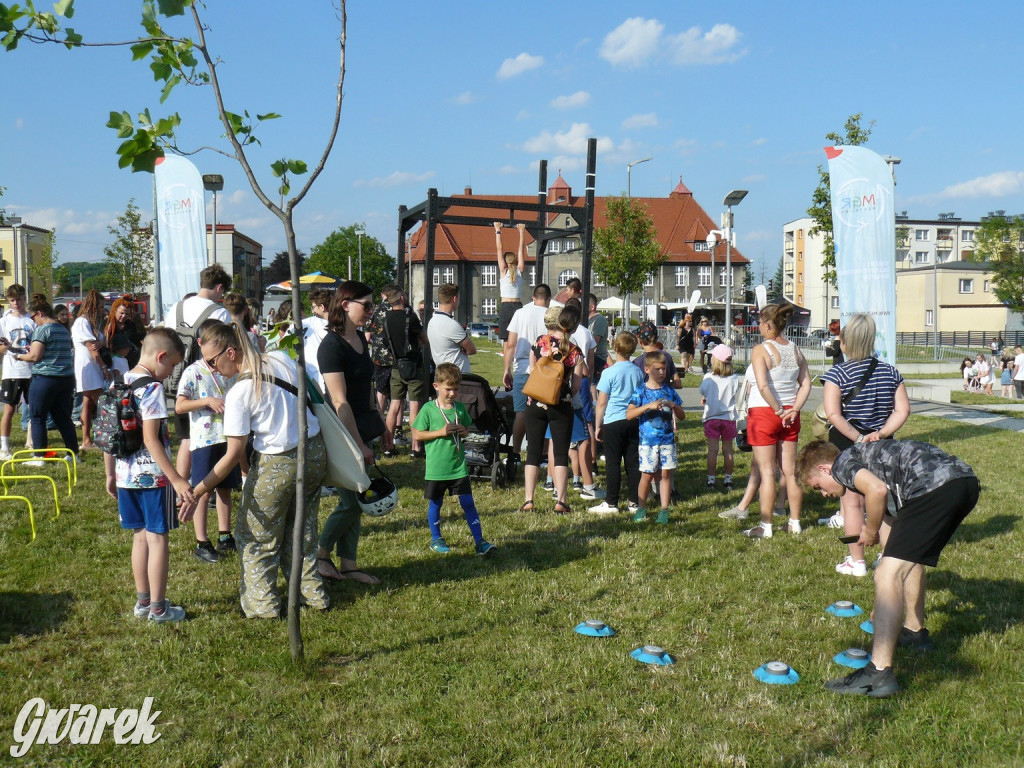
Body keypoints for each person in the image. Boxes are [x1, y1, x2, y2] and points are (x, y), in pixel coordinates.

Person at [799, 439, 979, 698]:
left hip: (934, 487)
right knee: (904, 560)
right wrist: (886, 603)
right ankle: (915, 633)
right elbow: (894, 537)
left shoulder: (843, 463)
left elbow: (877, 491)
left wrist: (869, 530)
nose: (823, 494)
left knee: (886, 573)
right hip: (964, 483)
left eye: (818, 486)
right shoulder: (878, 465)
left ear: (826, 469)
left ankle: (879, 672)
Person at [183, 321, 330, 618]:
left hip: (277, 462)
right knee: (302, 529)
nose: (212, 369)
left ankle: (262, 605)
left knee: (255, 536)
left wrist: (198, 490)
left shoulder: (239, 393)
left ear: (232, 352)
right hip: (314, 453)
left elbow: (232, 455)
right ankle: (311, 594)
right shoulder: (282, 359)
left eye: (213, 362)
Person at [102, 328, 195, 623]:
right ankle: (158, 607)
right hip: (153, 478)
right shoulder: (151, 390)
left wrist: (110, 475)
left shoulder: (118, 383)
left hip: (125, 475)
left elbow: (107, 434)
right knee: (158, 539)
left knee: (139, 538)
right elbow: (152, 440)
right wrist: (178, 479)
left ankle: (143, 602)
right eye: (170, 367)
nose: (169, 374)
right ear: (161, 356)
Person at [822, 313, 910, 576]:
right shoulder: (891, 372)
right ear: (872, 341)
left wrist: (857, 438)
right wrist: (881, 433)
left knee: (852, 503)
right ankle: (886, 557)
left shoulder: (837, 373)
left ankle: (856, 560)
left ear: (845, 343)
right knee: (885, 504)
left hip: (847, 441)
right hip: (883, 445)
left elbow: (833, 414)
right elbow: (902, 410)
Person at [316, 280, 382, 585]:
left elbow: (366, 389)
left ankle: (349, 564)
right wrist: (358, 446)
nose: (371, 311)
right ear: (345, 305)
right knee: (352, 501)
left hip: (364, 428)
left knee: (359, 497)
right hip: (344, 434)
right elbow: (340, 402)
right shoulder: (331, 346)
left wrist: (382, 425)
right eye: (366, 305)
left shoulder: (360, 339)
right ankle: (319, 555)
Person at [411, 362, 495, 556]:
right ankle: (436, 539)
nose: (452, 394)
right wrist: (441, 432)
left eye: (456, 390)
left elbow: (465, 429)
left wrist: (463, 431)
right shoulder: (428, 409)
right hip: (437, 468)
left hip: (458, 466)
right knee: (436, 503)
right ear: (436, 386)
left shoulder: (459, 408)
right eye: (448, 389)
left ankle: (479, 541)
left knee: (468, 503)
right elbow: (417, 435)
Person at [743, 303, 811, 538]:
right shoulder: (795, 350)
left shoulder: (761, 349)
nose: (759, 326)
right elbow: (806, 384)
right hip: (792, 413)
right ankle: (795, 521)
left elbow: (762, 385)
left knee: (767, 472)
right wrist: (793, 409)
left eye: (761, 323)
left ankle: (766, 525)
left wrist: (778, 409)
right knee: (790, 472)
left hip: (765, 412)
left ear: (769, 324)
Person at [175, 319, 240, 565]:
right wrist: (207, 402)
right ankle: (202, 541)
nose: (212, 363)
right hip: (204, 439)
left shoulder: (230, 369)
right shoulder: (193, 371)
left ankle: (225, 534)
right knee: (203, 490)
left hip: (229, 436)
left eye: (214, 357)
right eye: (208, 357)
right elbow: (180, 406)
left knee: (225, 488)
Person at [520, 305, 586, 516]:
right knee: (559, 454)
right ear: (574, 328)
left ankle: (529, 500)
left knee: (533, 453)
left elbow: (532, 371)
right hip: (560, 405)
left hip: (535, 402)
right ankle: (561, 501)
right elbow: (576, 387)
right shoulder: (575, 352)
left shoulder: (540, 342)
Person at [16, 295, 79, 462]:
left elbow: (35, 356)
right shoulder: (63, 329)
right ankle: (73, 454)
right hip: (65, 379)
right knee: (63, 418)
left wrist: (20, 357)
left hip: (45, 378)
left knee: (37, 417)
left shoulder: (42, 329)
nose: (33, 321)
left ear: (39, 313)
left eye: (33, 317)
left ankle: (39, 456)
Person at [626, 350, 685, 525]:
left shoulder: (669, 390)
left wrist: (674, 406)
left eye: (664, 369)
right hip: (648, 443)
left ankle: (664, 510)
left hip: (667, 441)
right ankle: (641, 507)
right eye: (657, 369)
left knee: (666, 474)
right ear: (646, 370)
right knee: (647, 475)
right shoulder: (641, 391)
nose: (662, 373)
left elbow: (682, 416)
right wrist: (648, 406)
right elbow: (629, 414)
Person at [588, 331, 644, 515]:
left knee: (613, 463)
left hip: (613, 420)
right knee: (632, 462)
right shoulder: (637, 371)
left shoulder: (608, 372)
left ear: (615, 347)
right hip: (633, 419)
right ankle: (634, 501)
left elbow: (602, 402)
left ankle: (612, 503)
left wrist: (598, 425)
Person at [503, 283, 551, 454]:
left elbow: (511, 344)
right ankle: (543, 454)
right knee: (545, 412)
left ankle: (515, 451)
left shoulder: (520, 313)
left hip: (522, 367)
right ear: (549, 299)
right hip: (545, 370)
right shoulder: (550, 315)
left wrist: (506, 370)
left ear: (533, 297)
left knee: (521, 412)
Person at [384, 289, 427, 458]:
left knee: (394, 405)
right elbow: (424, 338)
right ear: (402, 298)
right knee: (415, 405)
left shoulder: (386, 318)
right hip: (413, 365)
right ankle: (416, 447)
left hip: (396, 366)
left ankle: (388, 445)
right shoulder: (411, 317)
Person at [71, 289, 110, 451]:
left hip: (92, 365)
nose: (102, 310)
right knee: (103, 402)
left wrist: (100, 343)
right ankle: (105, 434)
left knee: (88, 402)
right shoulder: (82, 322)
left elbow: (101, 342)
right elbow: (92, 349)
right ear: (93, 307)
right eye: (100, 307)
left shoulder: (92, 324)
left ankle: (87, 439)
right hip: (88, 366)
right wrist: (104, 367)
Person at [0, 284, 35, 461]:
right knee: (9, 409)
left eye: (19, 299)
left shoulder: (32, 320)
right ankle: (4, 447)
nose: (16, 303)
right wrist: (8, 348)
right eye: (12, 300)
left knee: (33, 408)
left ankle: (31, 443)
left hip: (31, 370)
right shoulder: (4, 321)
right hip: (12, 371)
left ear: (24, 298)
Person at [700, 344, 739, 490]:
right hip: (728, 418)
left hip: (712, 418)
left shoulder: (708, 377)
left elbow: (703, 391)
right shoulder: (734, 378)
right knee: (728, 451)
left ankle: (711, 480)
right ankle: (728, 480)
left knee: (712, 451)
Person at [427, 283, 476, 374]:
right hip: (456, 375)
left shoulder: (432, 322)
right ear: (454, 299)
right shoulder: (451, 324)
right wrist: (463, 347)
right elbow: (472, 349)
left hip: (441, 372)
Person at [494, 221, 526, 341]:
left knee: (507, 341)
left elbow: (499, 249)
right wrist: (521, 232)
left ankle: (507, 360)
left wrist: (498, 230)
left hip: (506, 306)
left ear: (506, 261)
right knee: (518, 338)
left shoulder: (504, 271)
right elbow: (521, 251)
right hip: (518, 306)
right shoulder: (520, 270)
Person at [633, 321, 682, 388]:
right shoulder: (666, 356)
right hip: (664, 396)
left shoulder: (637, 362)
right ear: (657, 338)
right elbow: (677, 383)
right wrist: (665, 387)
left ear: (640, 341)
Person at [104, 296, 141, 368]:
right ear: (115, 311)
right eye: (121, 313)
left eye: (127, 314)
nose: (124, 316)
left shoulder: (130, 325)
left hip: (130, 362)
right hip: (113, 364)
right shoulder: (107, 324)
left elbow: (137, 342)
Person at [587, 294, 609, 387]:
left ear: (592, 307)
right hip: (589, 356)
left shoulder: (599, 320)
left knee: (592, 386)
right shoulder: (587, 320)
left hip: (597, 358)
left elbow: (594, 342)